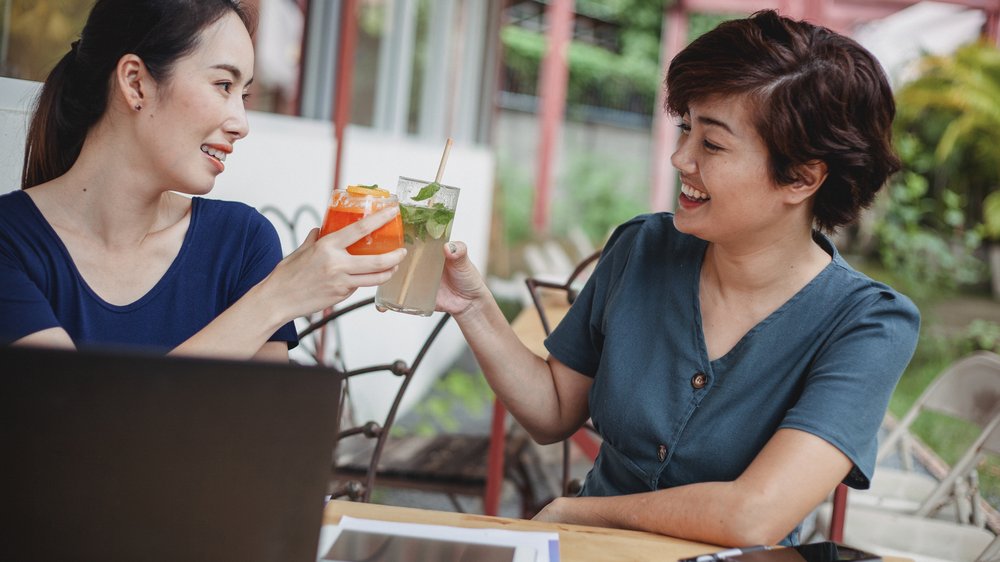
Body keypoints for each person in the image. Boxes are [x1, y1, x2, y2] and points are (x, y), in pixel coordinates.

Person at [438, 10, 920, 547]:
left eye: (711, 145)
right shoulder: (642, 248)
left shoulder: (869, 324)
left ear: (802, 178)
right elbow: (553, 411)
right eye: (686, 127)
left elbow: (752, 516)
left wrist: (581, 515)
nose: (679, 158)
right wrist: (472, 304)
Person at [0, 0, 405, 360]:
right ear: (135, 82)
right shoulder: (9, 241)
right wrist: (276, 299)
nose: (241, 125)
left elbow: (266, 433)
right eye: (223, 85)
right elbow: (78, 428)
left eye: (243, 95)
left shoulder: (242, 242)